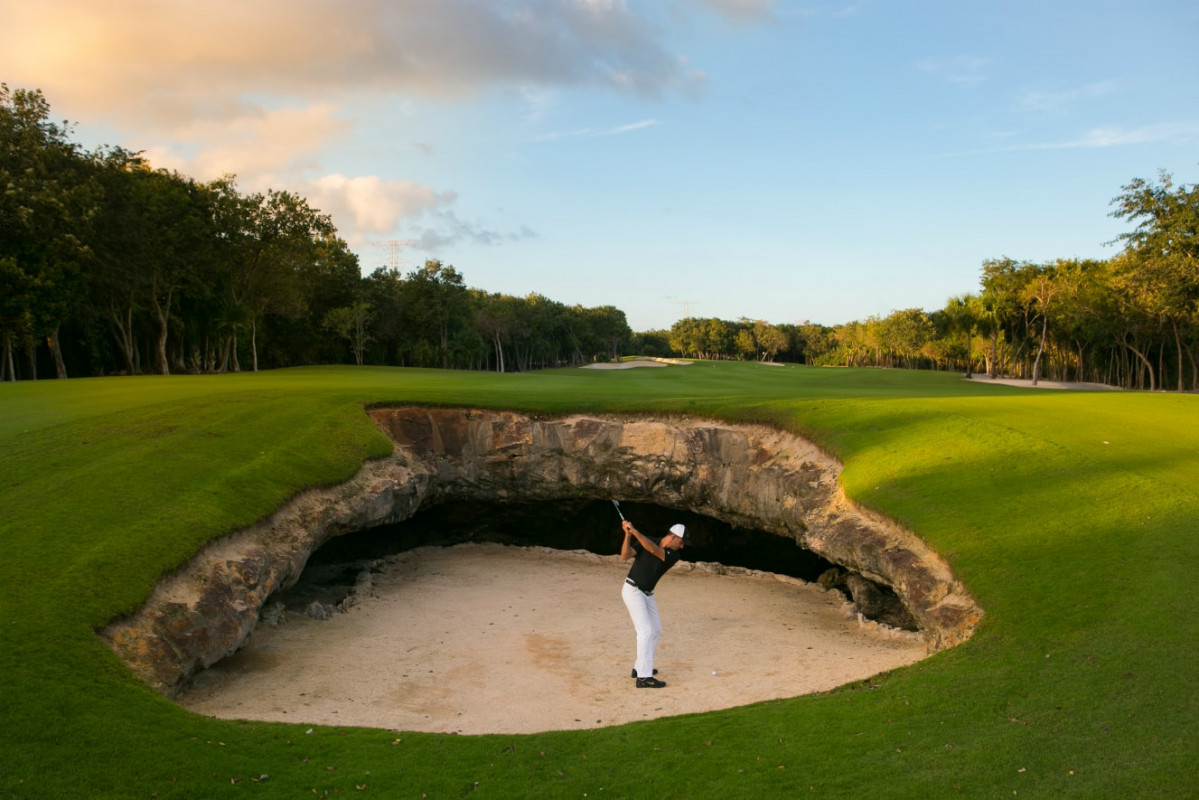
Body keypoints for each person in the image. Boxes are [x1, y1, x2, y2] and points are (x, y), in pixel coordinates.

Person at [620, 519, 687, 689]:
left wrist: (634, 531)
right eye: (681, 542)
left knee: (656, 630)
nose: (682, 546)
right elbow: (624, 556)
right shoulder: (647, 540)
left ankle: (639, 667)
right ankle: (643, 678)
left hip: (647, 594)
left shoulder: (673, 555)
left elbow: (653, 549)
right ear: (672, 537)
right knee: (645, 631)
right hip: (632, 590)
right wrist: (628, 535)